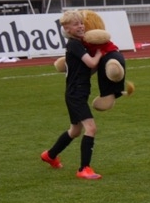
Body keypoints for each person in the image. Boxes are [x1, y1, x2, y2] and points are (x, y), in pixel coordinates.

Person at [40, 10, 104, 180]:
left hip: (76, 93)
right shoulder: (75, 45)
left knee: (75, 131)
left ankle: (50, 155)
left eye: (81, 23)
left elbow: (87, 70)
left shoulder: (78, 44)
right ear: (67, 29)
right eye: (76, 24)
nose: (81, 26)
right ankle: (84, 169)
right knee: (91, 128)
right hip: (76, 94)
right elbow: (91, 63)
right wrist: (99, 54)